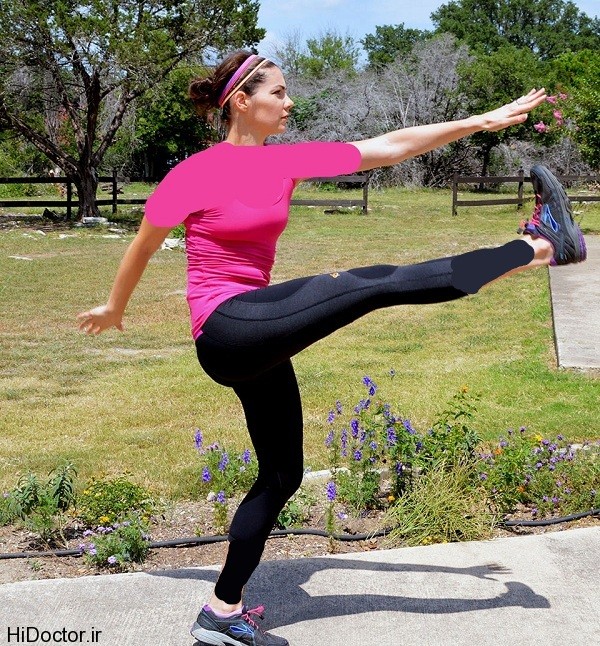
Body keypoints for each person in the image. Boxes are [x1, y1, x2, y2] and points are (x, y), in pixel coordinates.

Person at [77, 50, 586, 646]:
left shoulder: (285, 161)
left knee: (282, 474)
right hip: (227, 327)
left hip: (259, 334)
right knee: (372, 283)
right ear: (241, 102)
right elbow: (142, 245)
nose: (289, 102)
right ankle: (540, 246)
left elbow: (389, 147)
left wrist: (480, 121)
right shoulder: (192, 174)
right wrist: (114, 308)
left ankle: (221, 612)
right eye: (278, 93)